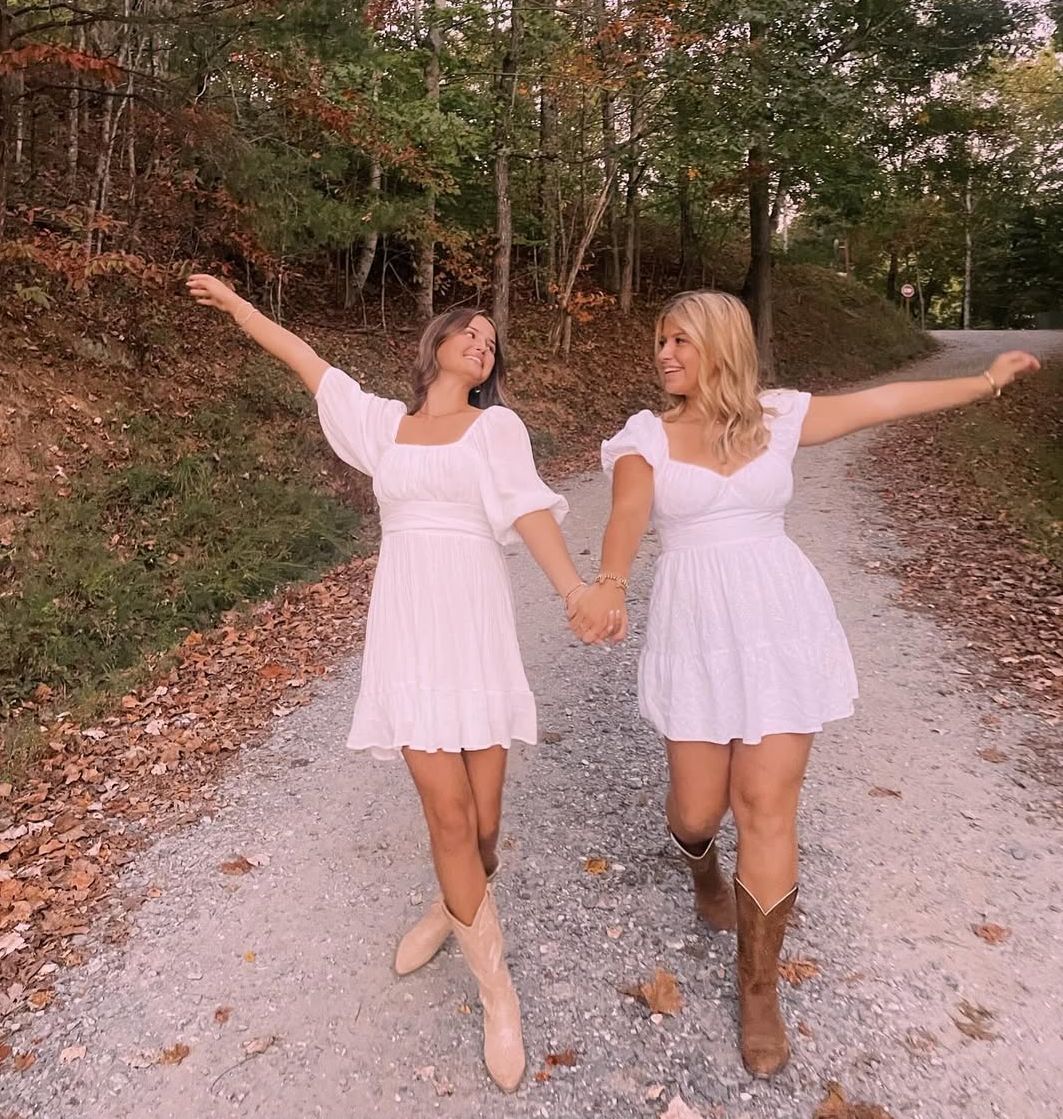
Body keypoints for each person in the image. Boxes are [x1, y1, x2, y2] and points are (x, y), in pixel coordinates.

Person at [570, 290, 1040, 1078]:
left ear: (723, 345)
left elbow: (885, 402)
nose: (665, 354)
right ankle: (700, 865)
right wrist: (610, 582)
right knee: (698, 811)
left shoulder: (778, 417)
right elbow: (625, 516)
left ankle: (759, 992)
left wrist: (985, 380)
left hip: (781, 626)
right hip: (697, 632)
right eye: (661, 341)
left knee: (766, 804)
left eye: (681, 340)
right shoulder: (644, 435)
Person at [186, 274, 606, 1093]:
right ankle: (498, 993)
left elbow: (528, 509)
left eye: (491, 341)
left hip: (475, 631)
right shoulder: (384, 427)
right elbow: (307, 362)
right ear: (437, 344)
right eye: (469, 331)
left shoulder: (497, 428)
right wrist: (240, 308)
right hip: (408, 633)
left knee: (484, 830)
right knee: (448, 816)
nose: (481, 343)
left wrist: (574, 591)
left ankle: (452, 907)